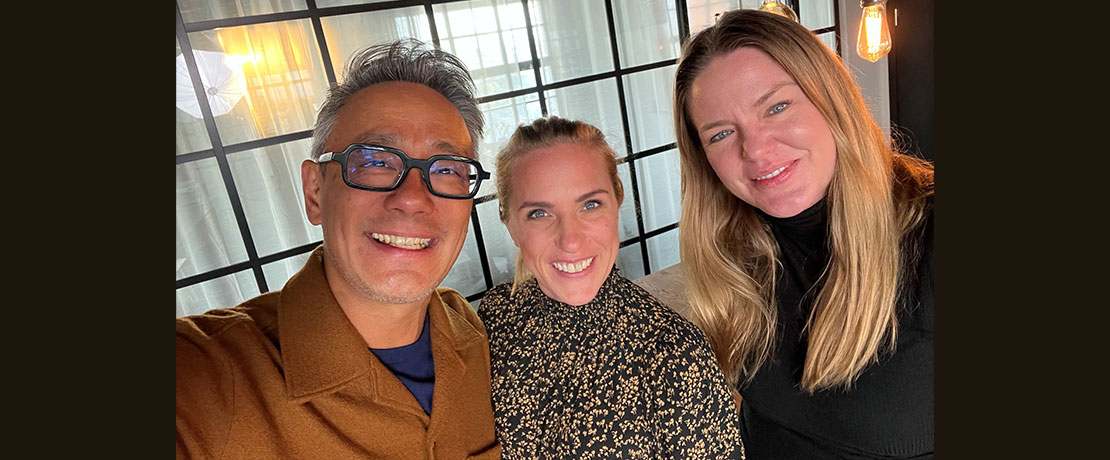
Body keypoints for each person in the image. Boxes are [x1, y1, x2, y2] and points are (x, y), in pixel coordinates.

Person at [175, 39, 500, 459]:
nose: (412, 198)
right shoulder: (208, 374)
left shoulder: (469, 331)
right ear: (315, 192)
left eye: (447, 169)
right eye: (375, 161)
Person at [673, 9, 934, 459]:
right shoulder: (736, 253)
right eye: (720, 134)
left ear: (831, 100)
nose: (755, 150)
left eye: (777, 107)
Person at [477, 116, 745, 459]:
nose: (570, 241)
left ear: (617, 201)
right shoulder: (497, 313)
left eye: (590, 205)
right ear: (509, 224)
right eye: (539, 213)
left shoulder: (676, 355)